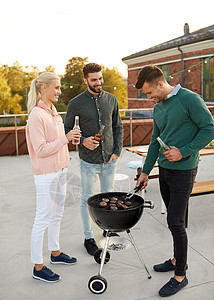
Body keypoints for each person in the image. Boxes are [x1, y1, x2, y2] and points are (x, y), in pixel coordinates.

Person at [135, 65, 214, 297]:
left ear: (160, 84)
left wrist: (185, 151)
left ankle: (180, 275)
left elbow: (209, 129)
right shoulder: (159, 107)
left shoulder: (190, 99)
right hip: (165, 170)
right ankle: (176, 258)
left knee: (175, 221)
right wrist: (145, 171)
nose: (149, 98)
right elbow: (154, 141)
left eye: (149, 93)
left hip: (184, 170)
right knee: (173, 219)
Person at [26, 72, 81, 283]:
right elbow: (40, 149)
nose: (60, 91)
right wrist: (65, 139)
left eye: (59, 87)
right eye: (56, 87)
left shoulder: (53, 111)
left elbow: (57, 142)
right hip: (46, 174)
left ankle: (55, 253)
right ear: (43, 89)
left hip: (60, 170)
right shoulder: (36, 115)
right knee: (42, 219)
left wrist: (68, 141)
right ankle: (38, 267)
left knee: (56, 215)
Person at [64, 63, 123, 256]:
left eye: (100, 78)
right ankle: (89, 237)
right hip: (88, 161)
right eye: (94, 80)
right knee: (87, 199)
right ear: (85, 80)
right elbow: (66, 130)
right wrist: (82, 140)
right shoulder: (75, 103)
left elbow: (118, 127)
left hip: (109, 160)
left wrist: (117, 152)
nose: (99, 82)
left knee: (108, 198)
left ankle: (107, 230)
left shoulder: (112, 99)